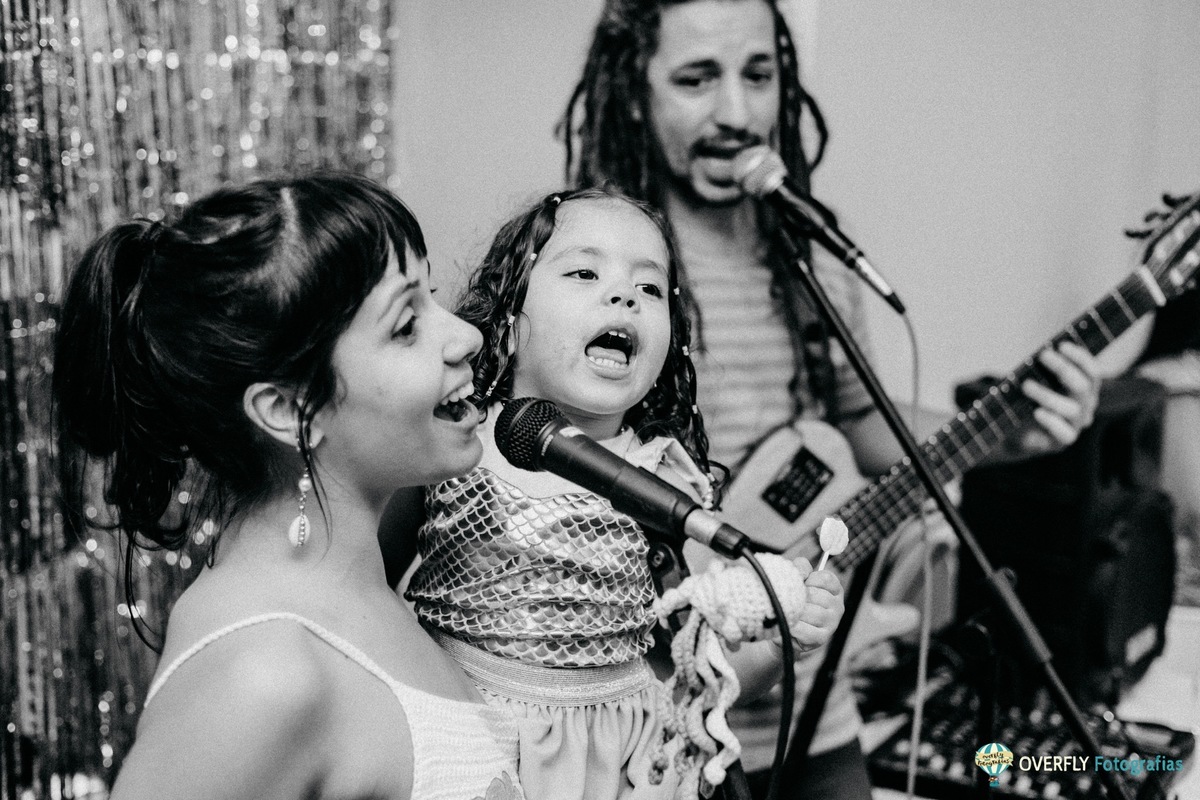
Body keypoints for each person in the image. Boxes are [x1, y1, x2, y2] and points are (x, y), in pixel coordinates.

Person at [559, 1, 1101, 797]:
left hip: (816, 709)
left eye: (759, 75)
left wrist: (1013, 432)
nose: (738, 114)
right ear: (635, 91)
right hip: (661, 721)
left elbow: (859, 431)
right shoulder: (599, 259)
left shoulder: (803, 254)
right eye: (697, 79)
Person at [53, 173, 525, 800]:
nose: (467, 336)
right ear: (289, 409)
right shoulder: (263, 674)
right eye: (405, 325)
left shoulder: (375, 584)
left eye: (432, 295)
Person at [396, 188, 845, 800]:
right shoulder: (455, 437)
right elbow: (372, 584)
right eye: (584, 272)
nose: (624, 295)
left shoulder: (668, 481)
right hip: (475, 741)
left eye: (651, 289)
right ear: (506, 319)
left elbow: (701, 672)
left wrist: (777, 645)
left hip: (618, 767)